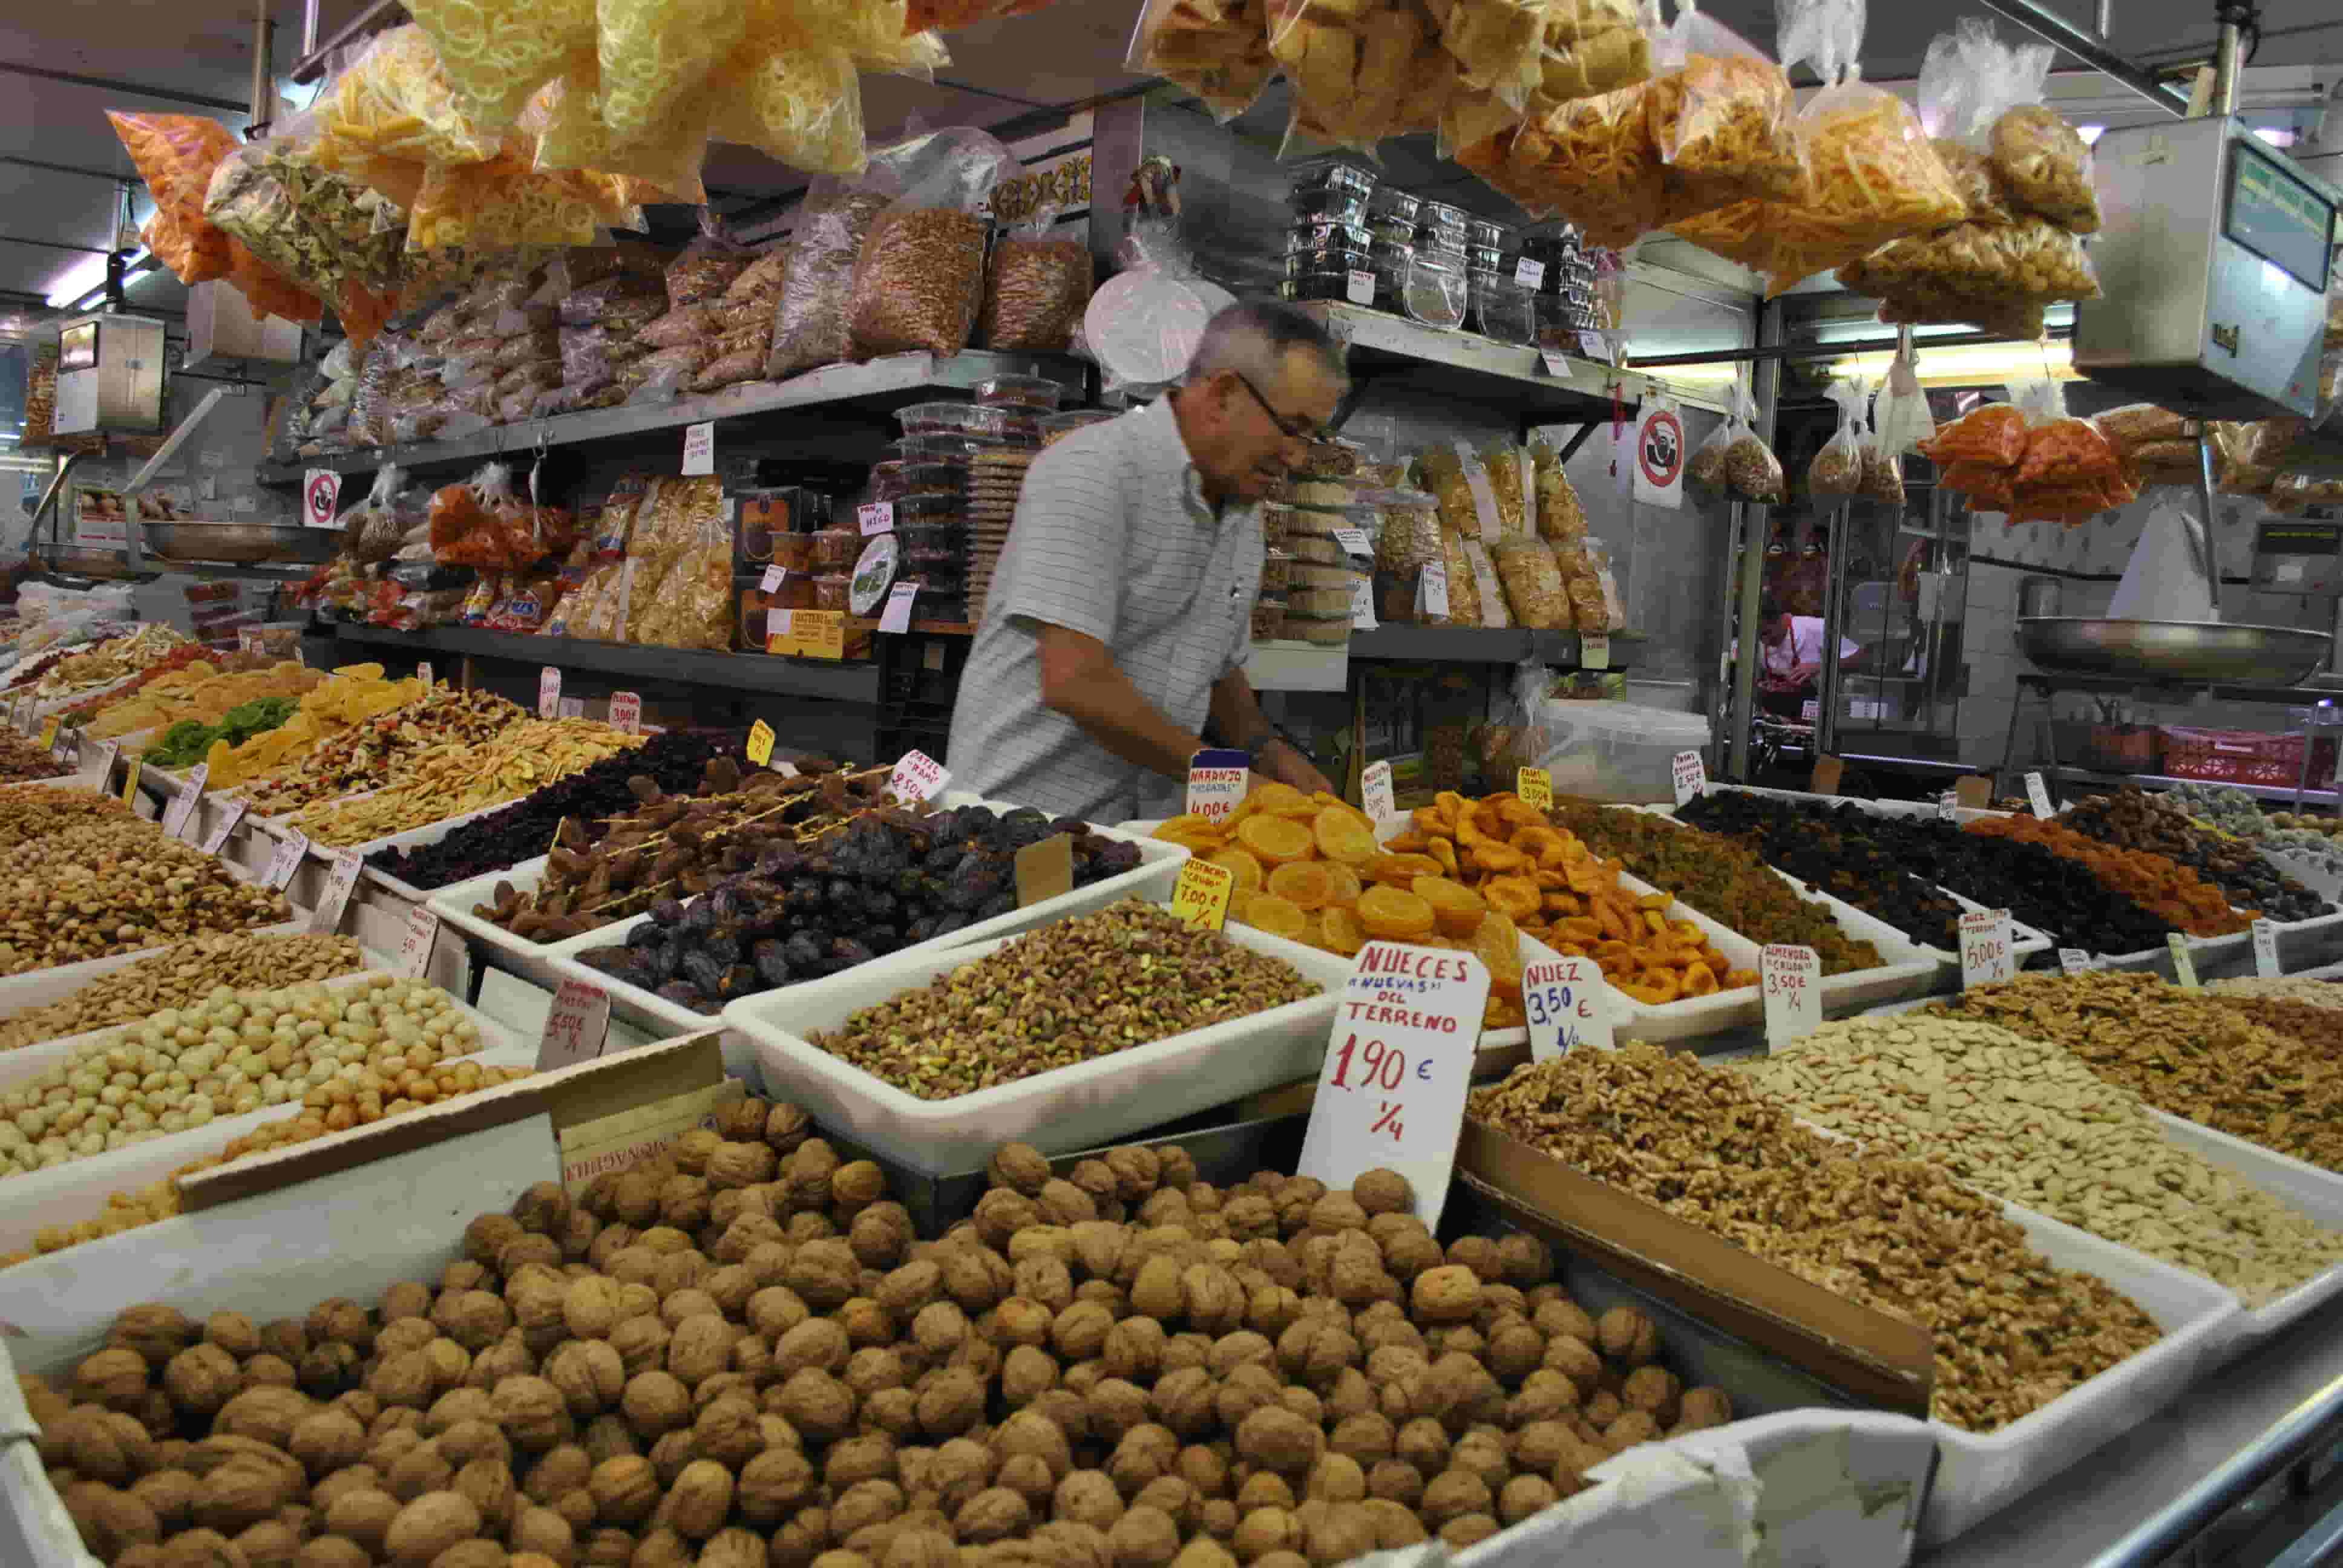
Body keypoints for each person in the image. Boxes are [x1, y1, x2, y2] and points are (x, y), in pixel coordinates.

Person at [945, 301, 1345, 820]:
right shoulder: (1094, 470)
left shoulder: (1243, 512)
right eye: (1291, 429)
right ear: (1224, 394)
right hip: (1019, 827)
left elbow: (1217, 668)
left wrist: (1267, 750)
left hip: (1143, 836)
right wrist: (1230, 780)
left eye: (1313, 437)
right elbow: (1076, 681)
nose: (1297, 458)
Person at [1755, 593, 1863, 719]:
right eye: (1760, 636)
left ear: (1782, 618)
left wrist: (1819, 667)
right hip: (1783, 721)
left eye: (1767, 633)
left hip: (1825, 716)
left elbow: (1860, 660)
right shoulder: (1760, 646)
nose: (1766, 641)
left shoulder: (1816, 628)